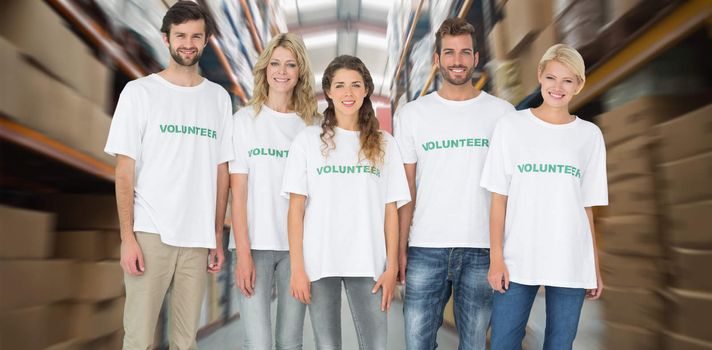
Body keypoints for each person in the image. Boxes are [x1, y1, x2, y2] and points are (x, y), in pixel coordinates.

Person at [104, 2, 233, 349]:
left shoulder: (219, 99)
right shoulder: (139, 93)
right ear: (166, 38)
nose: (188, 43)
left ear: (205, 41)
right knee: (139, 338)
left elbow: (222, 173)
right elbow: (124, 173)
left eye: (196, 36)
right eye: (180, 36)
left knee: (184, 341)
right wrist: (127, 237)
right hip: (150, 235)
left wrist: (217, 236)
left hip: (196, 240)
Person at [394, 17, 514, 349]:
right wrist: (400, 251)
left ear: (476, 58)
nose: (457, 61)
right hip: (425, 248)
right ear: (437, 60)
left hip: (482, 249)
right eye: (449, 53)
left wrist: (504, 252)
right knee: (417, 343)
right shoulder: (412, 115)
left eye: (464, 53)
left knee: (474, 344)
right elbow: (407, 190)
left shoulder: (503, 114)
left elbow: (510, 190)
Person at [481, 43, 607, 350]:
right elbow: (499, 199)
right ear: (540, 76)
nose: (558, 87)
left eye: (568, 80)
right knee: (502, 342)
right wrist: (496, 259)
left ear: (579, 84)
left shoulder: (589, 136)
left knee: (560, 345)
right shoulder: (511, 126)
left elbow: (587, 207)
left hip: (571, 259)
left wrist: (594, 268)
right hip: (518, 259)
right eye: (551, 77)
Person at [281, 55, 410, 349]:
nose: (347, 93)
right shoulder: (307, 141)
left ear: (366, 89)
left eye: (355, 85)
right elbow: (296, 210)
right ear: (327, 91)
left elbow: (391, 210)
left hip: (369, 263)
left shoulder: (385, 143)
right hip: (319, 262)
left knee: (376, 344)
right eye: (339, 85)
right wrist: (298, 268)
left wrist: (391, 268)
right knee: (327, 346)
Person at [228, 32, 318, 349]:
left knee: (291, 340)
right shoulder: (244, 121)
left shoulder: (313, 126)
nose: (282, 71)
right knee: (259, 342)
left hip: (299, 250)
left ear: (300, 72)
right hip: (254, 246)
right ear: (265, 68)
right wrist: (242, 255)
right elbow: (237, 194)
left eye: (290, 64)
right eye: (275, 63)